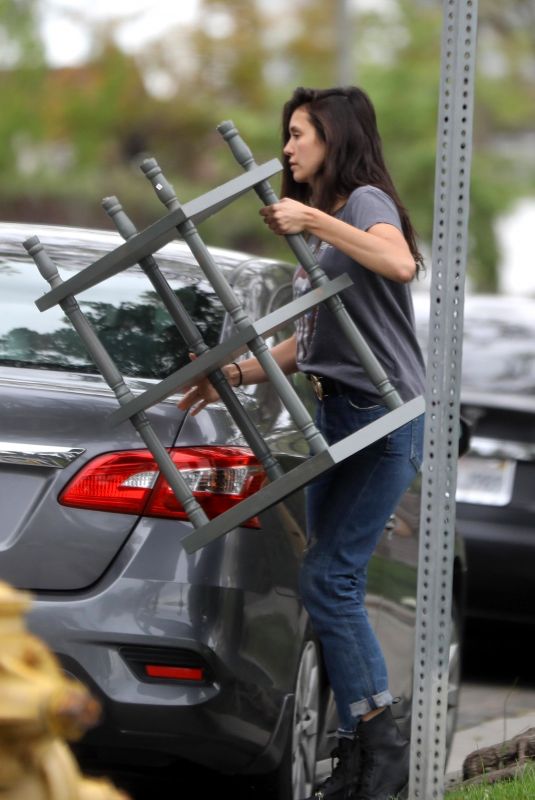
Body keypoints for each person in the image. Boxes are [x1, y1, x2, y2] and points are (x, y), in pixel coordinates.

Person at [178, 86, 426, 800]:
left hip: (381, 419)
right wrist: (237, 370)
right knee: (324, 584)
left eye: (298, 134)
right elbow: (311, 337)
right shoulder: (325, 234)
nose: (286, 149)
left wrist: (314, 216)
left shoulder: (365, 204)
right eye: (285, 135)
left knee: (330, 581)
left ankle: (382, 754)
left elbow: (399, 263)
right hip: (334, 416)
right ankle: (355, 754)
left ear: (334, 137)